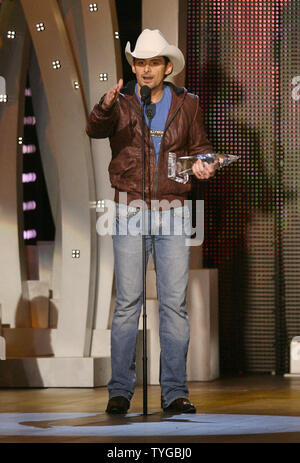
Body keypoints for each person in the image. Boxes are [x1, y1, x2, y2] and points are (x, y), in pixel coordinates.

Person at [86, 29, 218, 414]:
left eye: (152, 63)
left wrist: (205, 164)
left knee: (174, 305)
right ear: (133, 67)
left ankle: (175, 391)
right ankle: (120, 392)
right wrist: (105, 106)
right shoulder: (122, 103)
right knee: (128, 303)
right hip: (129, 208)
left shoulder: (187, 104)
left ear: (167, 67)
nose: (145, 69)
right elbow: (95, 129)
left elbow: (201, 146)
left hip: (174, 210)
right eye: (139, 63)